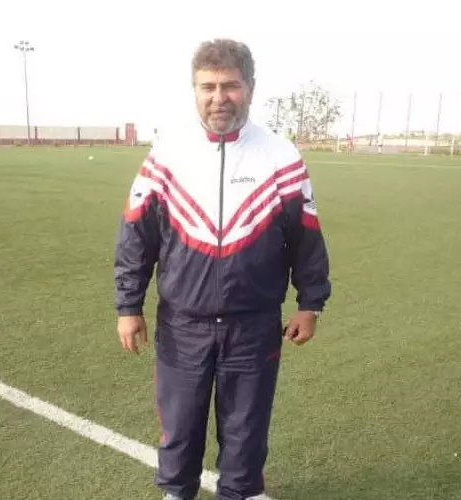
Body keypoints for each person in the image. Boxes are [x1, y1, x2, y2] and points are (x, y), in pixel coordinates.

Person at [113, 38, 331, 500]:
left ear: (250, 87)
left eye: (229, 86)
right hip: (183, 323)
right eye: (207, 87)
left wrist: (311, 303)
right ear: (194, 90)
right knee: (180, 427)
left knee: (246, 429)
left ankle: (242, 491)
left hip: (253, 325)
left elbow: (306, 235)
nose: (219, 98)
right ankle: (177, 493)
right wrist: (128, 306)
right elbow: (136, 234)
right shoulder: (166, 155)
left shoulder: (281, 156)